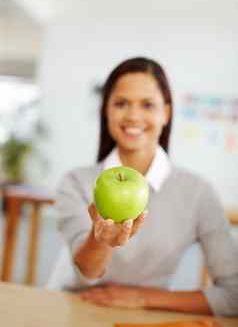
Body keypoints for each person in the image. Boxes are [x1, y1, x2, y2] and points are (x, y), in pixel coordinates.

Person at [48, 57, 238, 316]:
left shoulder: (198, 193)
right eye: (121, 103)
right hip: (71, 310)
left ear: (166, 113)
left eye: (148, 104)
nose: (133, 116)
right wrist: (100, 239)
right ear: (106, 110)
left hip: (147, 317)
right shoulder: (76, 182)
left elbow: (233, 294)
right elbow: (88, 271)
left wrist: (142, 297)